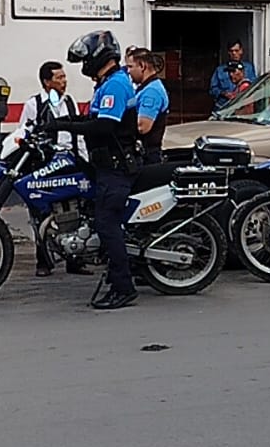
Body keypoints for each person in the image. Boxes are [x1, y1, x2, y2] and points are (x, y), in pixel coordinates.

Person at [46, 30, 140, 310]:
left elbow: (103, 127)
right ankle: (114, 276)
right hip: (106, 165)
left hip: (117, 167)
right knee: (98, 218)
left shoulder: (116, 85)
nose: (83, 66)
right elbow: (92, 119)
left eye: (85, 60)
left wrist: (63, 125)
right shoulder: (107, 83)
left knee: (106, 224)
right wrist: (60, 121)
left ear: (100, 57)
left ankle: (124, 287)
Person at [20, 61, 86, 278]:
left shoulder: (69, 103)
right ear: (47, 82)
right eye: (59, 78)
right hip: (45, 164)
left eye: (64, 77)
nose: (64, 82)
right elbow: (24, 134)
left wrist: (83, 159)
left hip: (69, 162)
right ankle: (43, 261)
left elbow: (78, 134)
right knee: (41, 213)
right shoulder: (34, 104)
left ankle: (74, 259)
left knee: (74, 209)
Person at [126, 47, 170, 165]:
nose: (128, 71)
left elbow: (143, 127)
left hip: (148, 156)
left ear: (142, 66)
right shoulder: (145, 87)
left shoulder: (151, 91)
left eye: (130, 67)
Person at [208, 40, 258, 111]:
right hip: (223, 107)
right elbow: (212, 89)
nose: (234, 53)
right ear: (228, 52)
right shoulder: (220, 70)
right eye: (231, 51)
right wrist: (224, 93)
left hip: (242, 107)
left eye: (236, 50)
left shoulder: (248, 68)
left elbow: (254, 86)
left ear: (241, 51)